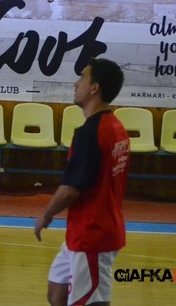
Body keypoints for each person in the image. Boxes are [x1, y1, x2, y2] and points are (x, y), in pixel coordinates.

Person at [34, 57, 130, 306]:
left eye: (82, 78)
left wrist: (46, 215)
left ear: (94, 87)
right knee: (57, 293)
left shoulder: (92, 133)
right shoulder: (116, 126)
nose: (76, 84)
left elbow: (70, 190)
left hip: (93, 235)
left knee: (90, 301)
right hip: (83, 231)